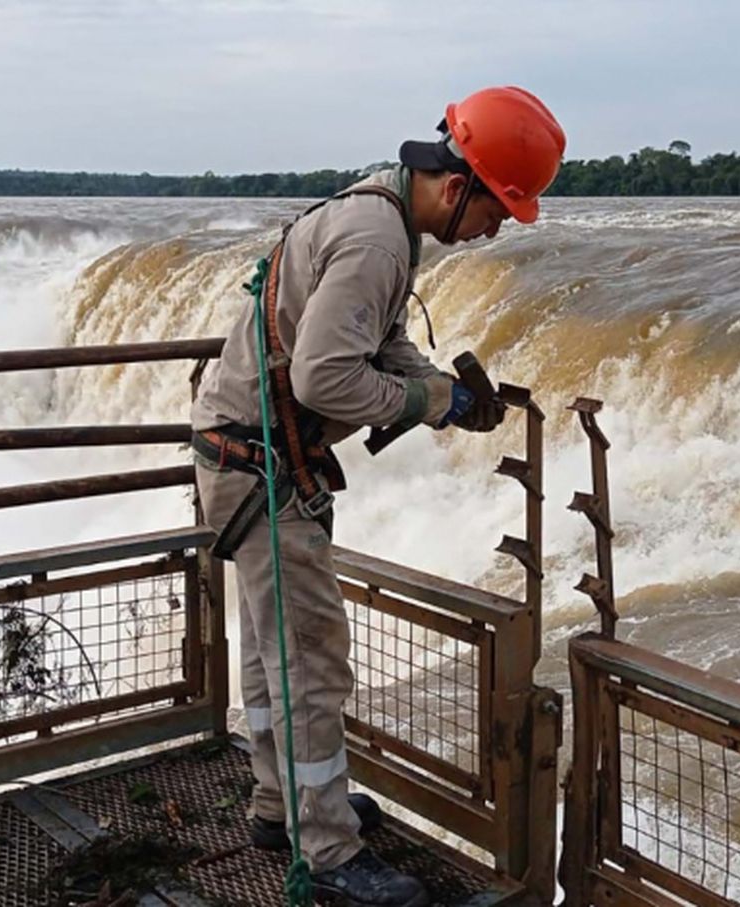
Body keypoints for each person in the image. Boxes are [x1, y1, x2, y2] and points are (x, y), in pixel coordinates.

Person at [190, 86, 565, 906]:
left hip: (243, 456)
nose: (495, 229)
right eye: (497, 209)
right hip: (262, 465)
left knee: (269, 645)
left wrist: (438, 387)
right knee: (311, 656)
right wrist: (431, 403)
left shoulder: (380, 214)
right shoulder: (377, 242)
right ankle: (325, 850)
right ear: (456, 182)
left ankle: (279, 802)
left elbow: (372, 341)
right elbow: (328, 374)